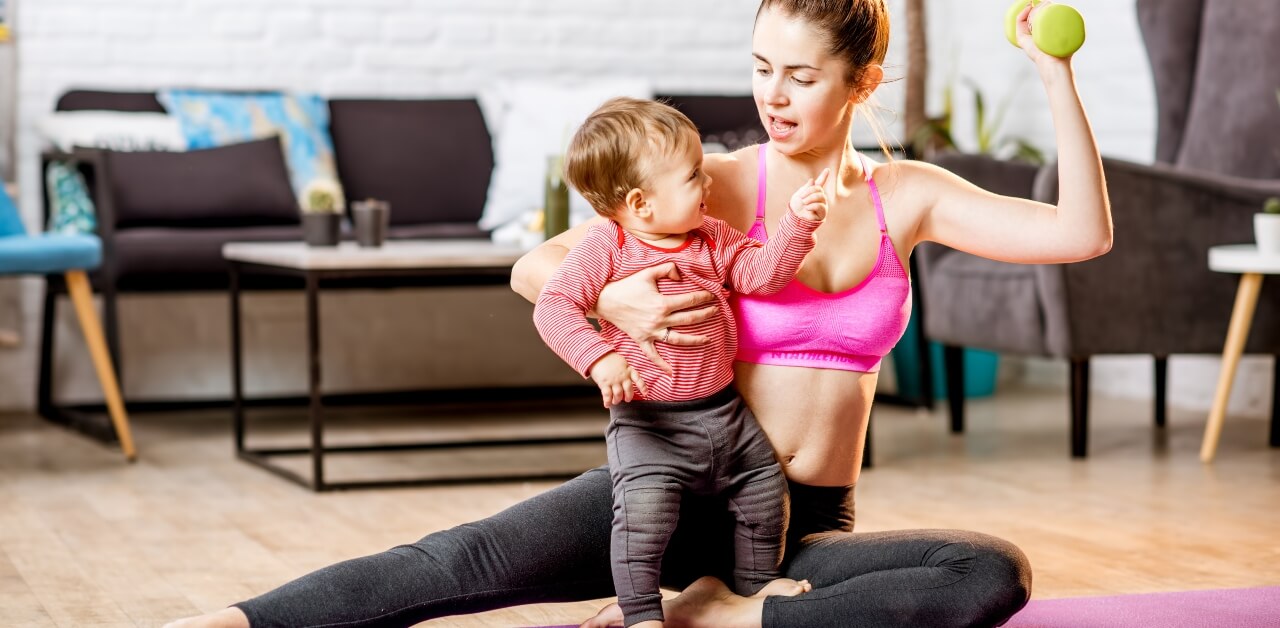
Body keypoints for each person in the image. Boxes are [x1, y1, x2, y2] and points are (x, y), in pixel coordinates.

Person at [169, 0, 1107, 626]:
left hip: (802, 527)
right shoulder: (723, 183)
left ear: (859, 84)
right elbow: (537, 267)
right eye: (760, 67)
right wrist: (612, 294)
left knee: (990, 573)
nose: (772, 95)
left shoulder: (911, 195)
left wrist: (1055, 75)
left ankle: (723, 612)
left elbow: (1080, 233)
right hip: (665, 478)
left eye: (802, 76)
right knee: (456, 564)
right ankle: (233, 623)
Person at [534, 96, 829, 628]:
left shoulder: (711, 236)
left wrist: (795, 227)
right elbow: (554, 307)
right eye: (694, 175)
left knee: (765, 493)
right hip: (649, 425)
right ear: (642, 203)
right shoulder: (608, 245)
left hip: (725, 414)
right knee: (643, 519)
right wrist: (600, 359)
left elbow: (762, 274)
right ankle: (642, 613)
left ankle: (755, 589)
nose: (708, 182)